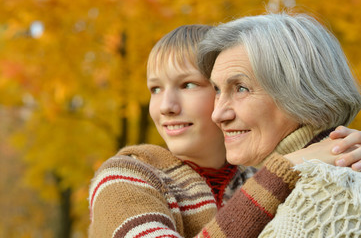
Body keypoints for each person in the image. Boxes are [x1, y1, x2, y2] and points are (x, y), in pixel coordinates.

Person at [88, 24, 361, 238]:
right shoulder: (127, 176)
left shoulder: (258, 176)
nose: (165, 107)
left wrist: (338, 148)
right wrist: (285, 167)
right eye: (155, 89)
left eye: (188, 85)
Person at [197, 12, 361, 237]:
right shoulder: (271, 186)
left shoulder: (323, 196)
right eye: (217, 90)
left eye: (241, 88)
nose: (217, 114)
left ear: (301, 93)